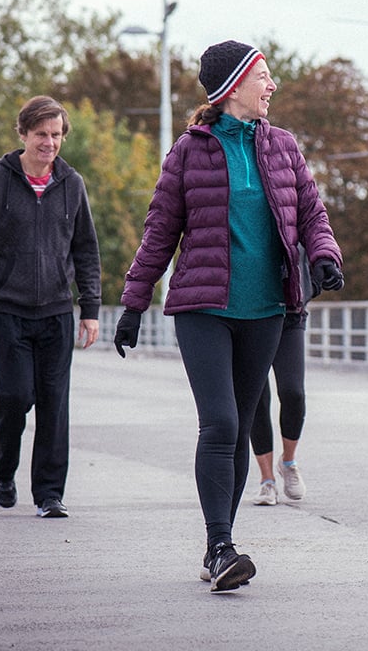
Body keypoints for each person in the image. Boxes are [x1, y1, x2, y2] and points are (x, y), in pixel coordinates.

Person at [113, 40, 343, 593]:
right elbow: (160, 231)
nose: (272, 86)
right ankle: (220, 547)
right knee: (219, 423)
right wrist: (134, 302)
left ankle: (220, 544)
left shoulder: (283, 146)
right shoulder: (189, 152)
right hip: (204, 307)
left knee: (239, 426)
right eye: (263, 76)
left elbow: (311, 212)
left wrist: (324, 255)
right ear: (234, 85)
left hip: (266, 311)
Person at [0, 95, 102, 520]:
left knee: (54, 405)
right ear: (22, 133)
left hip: (56, 312)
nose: (49, 143)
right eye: (41, 134)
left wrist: (90, 308)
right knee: (14, 396)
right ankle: (4, 468)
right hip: (8, 311)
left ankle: (49, 494)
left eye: (56, 135)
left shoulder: (72, 184)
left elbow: (86, 250)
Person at [250, 246, 322, 507]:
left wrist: (314, 280)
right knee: (257, 397)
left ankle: (288, 462)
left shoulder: (297, 214)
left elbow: (316, 236)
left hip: (290, 311)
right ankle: (266, 480)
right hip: (249, 313)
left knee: (293, 392)